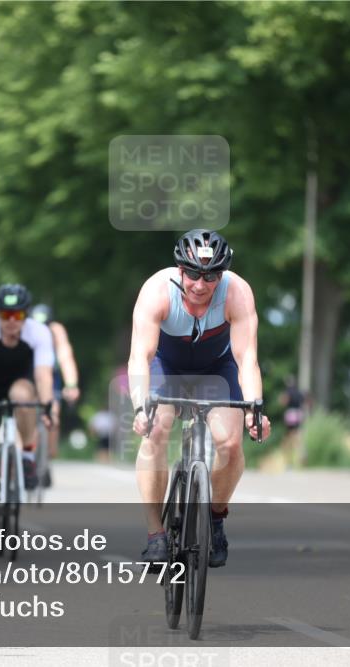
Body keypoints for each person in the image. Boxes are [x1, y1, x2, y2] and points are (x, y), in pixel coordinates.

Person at [128, 229, 270, 568]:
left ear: (221, 275)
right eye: (193, 273)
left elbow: (246, 358)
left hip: (217, 369)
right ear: (180, 270)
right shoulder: (156, 291)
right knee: (156, 430)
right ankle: (155, 535)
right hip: (168, 367)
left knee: (230, 443)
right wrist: (139, 406)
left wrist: (254, 407)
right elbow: (140, 357)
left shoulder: (236, 292)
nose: (200, 284)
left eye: (211, 276)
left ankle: (215, 518)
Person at [0, 284, 55, 535]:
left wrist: (48, 407)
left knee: (22, 396)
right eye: (5, 314)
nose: (11, 321)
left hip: (22, 380)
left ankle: (27, 455)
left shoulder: (39, 332)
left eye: (17, 315)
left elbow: (43, 375)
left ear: (26, 315)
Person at [29, 303, 80, 487]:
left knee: (53, 414)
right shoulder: (25, 329)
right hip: (29, 374)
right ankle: (27, 455)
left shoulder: (57, 331)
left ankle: (47, 457)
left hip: (51, 375)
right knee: (26, 413)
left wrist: (71, 384)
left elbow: (65, 356)